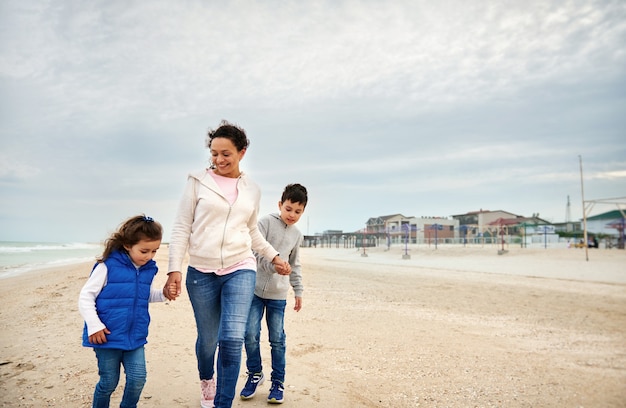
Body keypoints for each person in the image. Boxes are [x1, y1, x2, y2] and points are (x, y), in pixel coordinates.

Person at [164, 120, 291, 408]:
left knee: (232, 339)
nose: (219, 160)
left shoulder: (252, 189)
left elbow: (252, 231)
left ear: (242, 153)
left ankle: (223, 403)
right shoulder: (197, 182)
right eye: (214, 153)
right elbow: (182, 226)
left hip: (240, 268)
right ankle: (207, 379)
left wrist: (274, 257)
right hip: (201, 272)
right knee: (208, 341)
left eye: (226, 154)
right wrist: (174, 268)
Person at [78, 215, 172, 408]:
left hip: (135, 337)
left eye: (154, 251)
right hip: (107, 338)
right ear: (128, 245)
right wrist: (94, 326)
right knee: (108, 383)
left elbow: (144, 295)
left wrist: (163, 294)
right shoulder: (107, 266)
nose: (149, 256)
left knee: (138, 379)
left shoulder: (149, 269)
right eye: (144, 251)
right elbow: (85, 297)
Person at [240, 183, 308, 404]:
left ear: (303, 211)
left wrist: (298, 290)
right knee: (250, 334)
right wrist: (273, 266)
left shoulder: (297, 235)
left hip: (279, 295)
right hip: (254, 291)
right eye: (288, 209)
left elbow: (295, 265)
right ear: (280, 204)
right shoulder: (265, 223)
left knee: (277, 339)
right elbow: (253, 253)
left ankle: (278, 382)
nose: (292, 215)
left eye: (298, 211)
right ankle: (255, 374)